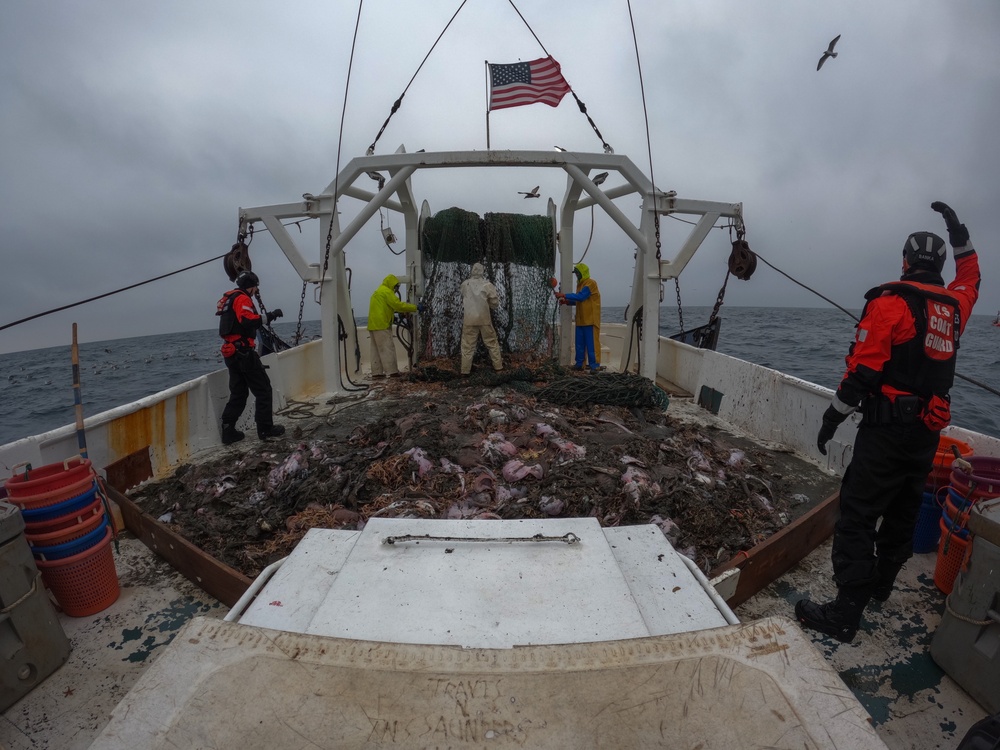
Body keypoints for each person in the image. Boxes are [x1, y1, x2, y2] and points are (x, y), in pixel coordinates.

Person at [797, 202, 980, 643]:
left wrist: (830, 419)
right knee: (903, 508)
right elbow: (971, 279)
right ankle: (880, 586)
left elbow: (862, 373)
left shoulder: (889, 303)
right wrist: (961, 237)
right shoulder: (954, 307)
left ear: (904, 262)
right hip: (927, 434)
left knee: (857, 515)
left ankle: (844, 613)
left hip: (886, 432)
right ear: (937, 266)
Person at [217, 271, 286, 444]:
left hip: (231, 353)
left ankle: (228, 430)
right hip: (244, 354)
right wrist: (270, 315)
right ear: (252, 286)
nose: (256, 291)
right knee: (263, 390)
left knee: (239, 393)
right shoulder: (242, 298)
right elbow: (248, 320)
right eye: (256, 288)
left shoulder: (230, 298)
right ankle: (265, 429)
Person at [368, 274, 420, 378]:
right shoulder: (387, 292)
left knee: (376, 350)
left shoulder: (378, 291)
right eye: (396, 287)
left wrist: (393, 318)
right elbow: (398, 305)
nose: (396, 289)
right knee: (387, 348)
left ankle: (377, 373)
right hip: (382, 324)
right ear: (392, 285)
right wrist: (415, 307)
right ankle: (392, 372)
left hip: (373, 324)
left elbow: (385, 307)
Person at [555, 262, 602, 372]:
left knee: (592, 345)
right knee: (579, 344)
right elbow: (579, 301)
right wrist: (567, 301)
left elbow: (581, 297)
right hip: (581, 320)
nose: (576, 275)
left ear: (583, 272)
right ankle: (579, 364)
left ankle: (595, 366)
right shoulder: (580, 285)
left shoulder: (590, 283)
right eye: (575, 273)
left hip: (590, 320)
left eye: (577, 273)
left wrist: (564, 295)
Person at [459, 262, 503, 375]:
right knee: (492, 343)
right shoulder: (487, 285)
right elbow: (495, 303)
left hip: (469, 319)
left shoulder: (465, 284)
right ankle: (498, 367)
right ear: (482, 271)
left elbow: (463, 295)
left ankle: (465, 371)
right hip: (484, 319)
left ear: (472, 270)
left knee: (467, 346)